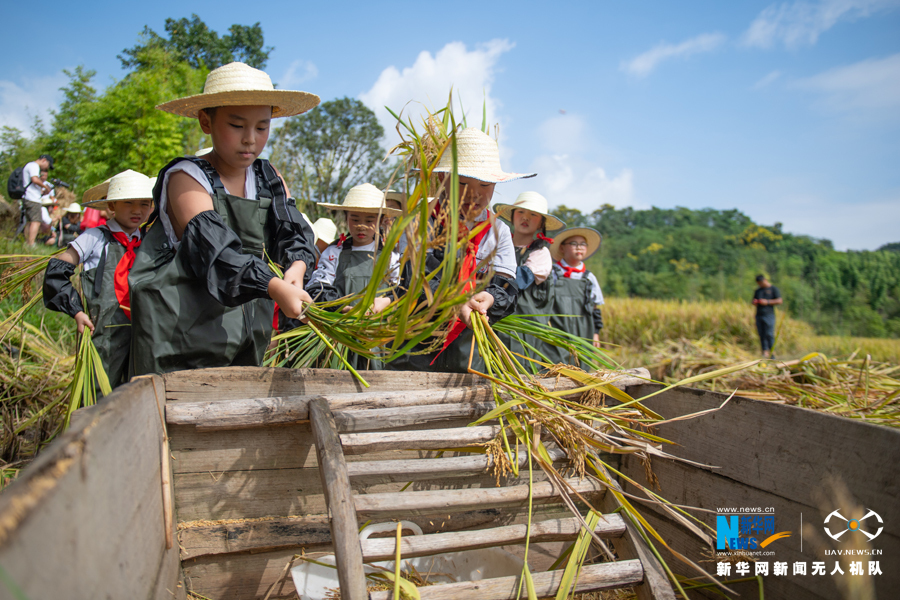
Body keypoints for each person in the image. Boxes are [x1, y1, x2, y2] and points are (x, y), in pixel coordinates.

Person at [129, 62, 320, 376]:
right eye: (236, 125)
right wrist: (274, 287)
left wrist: (297, 266)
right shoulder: (187, 178)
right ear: (206, 121)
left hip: (246, 337)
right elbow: (218, 253)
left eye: (262, 127)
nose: (250, 139)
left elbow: (294, 231)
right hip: (181, 338)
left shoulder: (269, 178)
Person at [389, 127, 529, 373]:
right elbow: (413, 279)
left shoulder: (499, 232)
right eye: (462, 182)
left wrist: (492, 298)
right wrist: (454, 304)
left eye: (485, 185)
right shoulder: (421, 222)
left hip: (471, 345)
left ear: (496, 185)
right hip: (416, 341)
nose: (473, 194)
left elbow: (506, 284)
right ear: (443, 180)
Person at [42, 170, 155, 388]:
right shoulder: (94, 238)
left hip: (143, 331)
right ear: (111, 206)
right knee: (97, 391)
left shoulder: (150, 241)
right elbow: (56, 271)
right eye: (128, 202)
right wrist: (77, 311)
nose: (137, 210)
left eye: (144, 203)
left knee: (136, 391)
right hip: (103, 333)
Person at [307, 183, 401, 368]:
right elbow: (317, 288)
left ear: (382, 220)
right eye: (355, 218)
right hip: (340, 337)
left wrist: (386, 301)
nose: (361, 226)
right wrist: (344, 308)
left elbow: (402, 292)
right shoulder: (334, 252)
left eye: (369, 220)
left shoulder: (391, 256)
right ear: (346, 217)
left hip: (378, 339)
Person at [493, 192, 565, 362]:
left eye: (533, 215)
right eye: (520, 212)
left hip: (522, 330)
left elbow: (518, 280)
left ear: (541, 223)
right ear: (512, 216)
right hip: (496, 322)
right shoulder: (498, 247)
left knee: (519, 369)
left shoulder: (540, 253)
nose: (525, 218)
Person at [543, 228, 604, 364]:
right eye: (574, 244)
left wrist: (595, 333)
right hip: (557, 328)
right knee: (555, 365)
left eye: (583, 244)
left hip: (583, 331)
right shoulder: (552, 273)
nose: (579, 248)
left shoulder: (589, 278)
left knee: (582, 366)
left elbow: (595, 309)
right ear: (562, 247)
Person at [21, 155, 54, 246]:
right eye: (48, 165)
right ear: (44, 160)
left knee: (30, 222)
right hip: (32, 199)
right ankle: (31, 243)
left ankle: (27, 242)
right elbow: (35, 179)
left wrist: (43, 192)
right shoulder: (34, 166)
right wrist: (45, 186)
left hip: (28, 197)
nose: (47, 168)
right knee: (36, 221)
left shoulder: (30, 165)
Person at [753, 275, 782, 358]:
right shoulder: (758, 291)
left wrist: (767, 302)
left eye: (761, 283)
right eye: (758, 284)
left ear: (765, 280)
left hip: (769, 315)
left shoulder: (773, 289)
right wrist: (755, 302)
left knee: (769, 333)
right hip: (759, 315)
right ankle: (765, 352)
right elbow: (753, 300)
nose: (760, 285)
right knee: (761, 334)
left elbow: (779, 300)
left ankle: (772, 352)